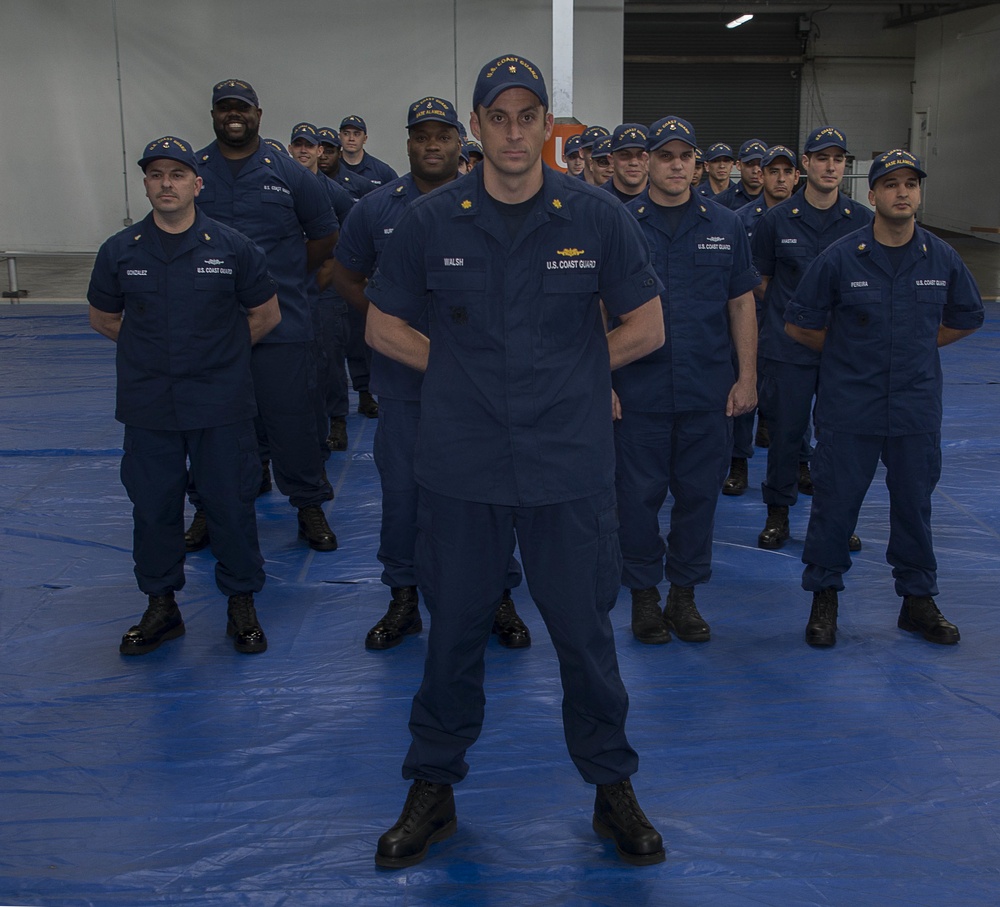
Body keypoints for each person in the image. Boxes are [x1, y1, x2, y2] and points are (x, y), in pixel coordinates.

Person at [365, 54, 666, 869]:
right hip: (462, 464)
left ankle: (612, 788)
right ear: (476, 126)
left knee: (582, 633)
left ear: (545, 126)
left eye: (527, 115)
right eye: (496, 116)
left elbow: (647, 325)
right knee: (455, 629)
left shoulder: (595, 216)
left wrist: (581, 372)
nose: (512, 131)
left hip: (567, 464)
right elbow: (382, 326)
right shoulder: (431, 223)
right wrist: (459, 372)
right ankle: (433, 786)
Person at [329, 96, 531, 652]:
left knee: (492, 495)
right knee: (404, 497)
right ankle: (403, 598)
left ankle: (500, 595)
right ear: (409, 143)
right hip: (406, 387)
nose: (433, 145)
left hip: (482, 392)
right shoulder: (374, 210)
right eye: (422, 136)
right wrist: (384, 320)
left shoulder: (490, 204)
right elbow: (344, 275)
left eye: (443, 136)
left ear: (458, 141)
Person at [88, 136, 280, 655]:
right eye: (156, 175)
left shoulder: (233, 247)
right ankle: (161, 606)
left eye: (177, 174)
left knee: (230, 504)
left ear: (197, 184)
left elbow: (265, 315)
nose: (166, 184)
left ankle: (241, 602)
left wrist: (217, 357)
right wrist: (156, 356)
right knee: (153, 507)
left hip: (219, 404)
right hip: (149, 405)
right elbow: (104, 318)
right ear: (146, 184)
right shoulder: (120, 251)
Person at [784, 150, 984, 647]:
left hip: (915, 407)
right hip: (850, 407)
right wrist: (849, 353)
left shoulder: (940, 257)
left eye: (910, 185)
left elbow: (966, 316)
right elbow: (798, 324)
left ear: (918, 193)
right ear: (871, 196)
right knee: (836, 503)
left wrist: (915, 345)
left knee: (914, 505)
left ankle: (917, 600)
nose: (902, 193)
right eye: (890, 185)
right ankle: (824, 598)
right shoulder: (840, 258)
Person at [614, 116, 759, 646]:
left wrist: (748, 376)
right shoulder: (620, 222)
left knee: (699, 497)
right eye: (665, 155)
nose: (676, 165)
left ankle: (684, 594)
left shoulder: (726, 225)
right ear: (647, 162)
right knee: (636, 499)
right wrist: (601, 382)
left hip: (707, 390)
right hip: (638, 393)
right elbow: (598, 308)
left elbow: (741, 303)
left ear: (696, 164)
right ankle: (645, 596)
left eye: (684, 156)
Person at [186, 79, 340, 554]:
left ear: (258, 113)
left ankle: (308, 504)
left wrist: (289, 277)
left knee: (291, 419)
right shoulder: (196, 170)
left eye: (243, 108)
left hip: (281, 323)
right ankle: (211, 507)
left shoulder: (288, 172)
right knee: (213, 424)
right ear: (214, 114)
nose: (234, 115)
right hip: (213, 328)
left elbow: (325, 235)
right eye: (224, 108)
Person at [752, 126, 873, 551]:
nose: (830, 166)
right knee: (786, 433)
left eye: (838, 159)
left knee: (841, 436)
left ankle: (836, 520)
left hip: (843, 350)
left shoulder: (862, 221)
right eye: (822, 158)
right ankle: (778, 515)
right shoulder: (776, 220)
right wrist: (796, 313)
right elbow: (759, 279)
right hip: (789, 347)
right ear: (807, 164)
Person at [723, 144, 800, 496]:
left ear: (796, 177)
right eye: (773, 171)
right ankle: (738, 463)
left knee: (794, 402)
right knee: (743, 392)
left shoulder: (803, 218)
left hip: (792, 327)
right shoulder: (741, 220)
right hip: (751, 320)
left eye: (787, 172)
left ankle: (800, 461)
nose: (780, 178)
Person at [288, 122, 356, 456]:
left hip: (325, 288)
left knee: (329, 356)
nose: (303, 150)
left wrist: (330, 270)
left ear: (320, 151)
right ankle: (308, 430)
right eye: (297, 145)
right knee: (294, 363)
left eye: (309, 146)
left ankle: (337, 422)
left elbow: (354, 227)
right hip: (290, 288)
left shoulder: (332, 191)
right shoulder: (282, 186)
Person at [339, 114, 399, 187]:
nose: (351, 139)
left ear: (365, 139)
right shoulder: (330, 168)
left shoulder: (383, 172)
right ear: (339, 137)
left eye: (357, 134)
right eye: (346, 134)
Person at [318, 126, 376, 200]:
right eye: (319, 152)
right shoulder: (303, 181)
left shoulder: (361, 185)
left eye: (329, 152)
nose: (323, 157)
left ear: (339, 154)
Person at [601, 123, 648, 203]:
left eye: (640, 155)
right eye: (625, 155)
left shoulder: (667, 199)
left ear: (649, 159)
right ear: (611, 160)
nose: (633, 162)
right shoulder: (596, 200)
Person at [714, 139, 766, 210]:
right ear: (739, 165)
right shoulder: (721, 202)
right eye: (750, 164)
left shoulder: (776, 199)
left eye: (760, 164)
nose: (755, 170)